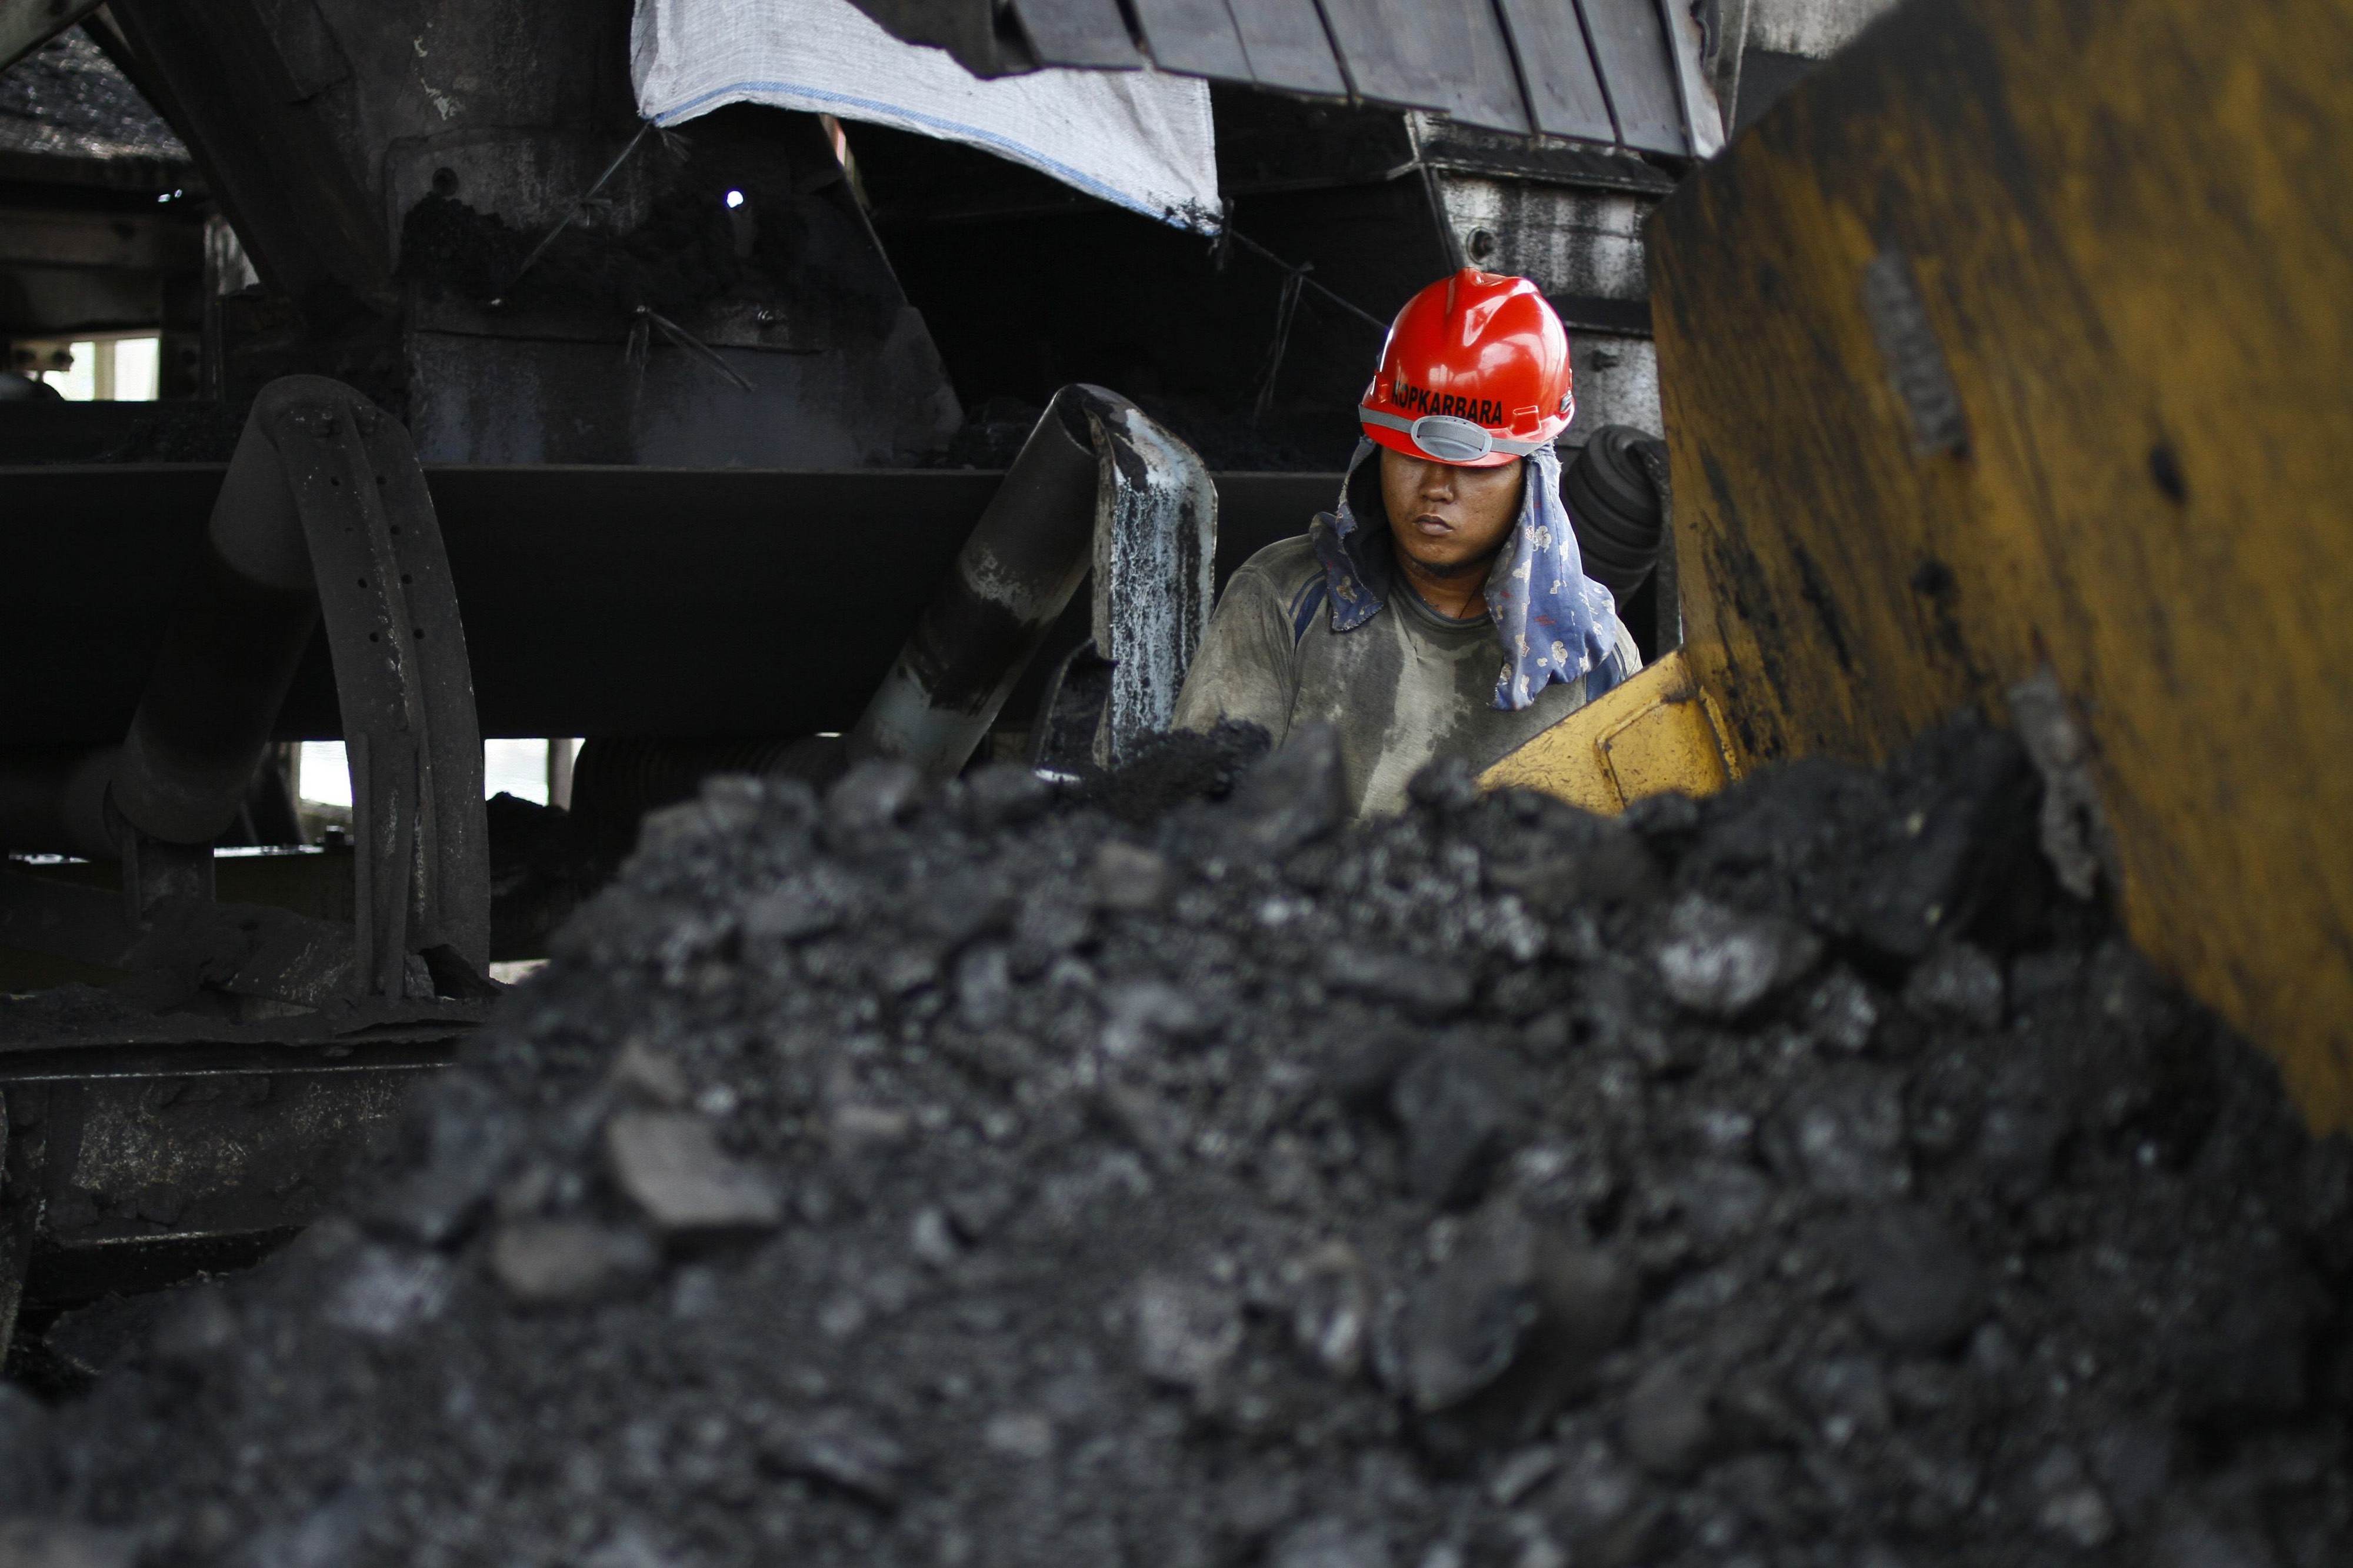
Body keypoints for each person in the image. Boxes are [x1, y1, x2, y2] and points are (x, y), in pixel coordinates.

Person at [1171, 269, 1641, 818]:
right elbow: (1196, 822)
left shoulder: (1594, 659)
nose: (1436, 489)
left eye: (1472, 466)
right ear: (1376, 451)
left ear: (1531, 473)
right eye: (1412, 455)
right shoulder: (1283, 597)